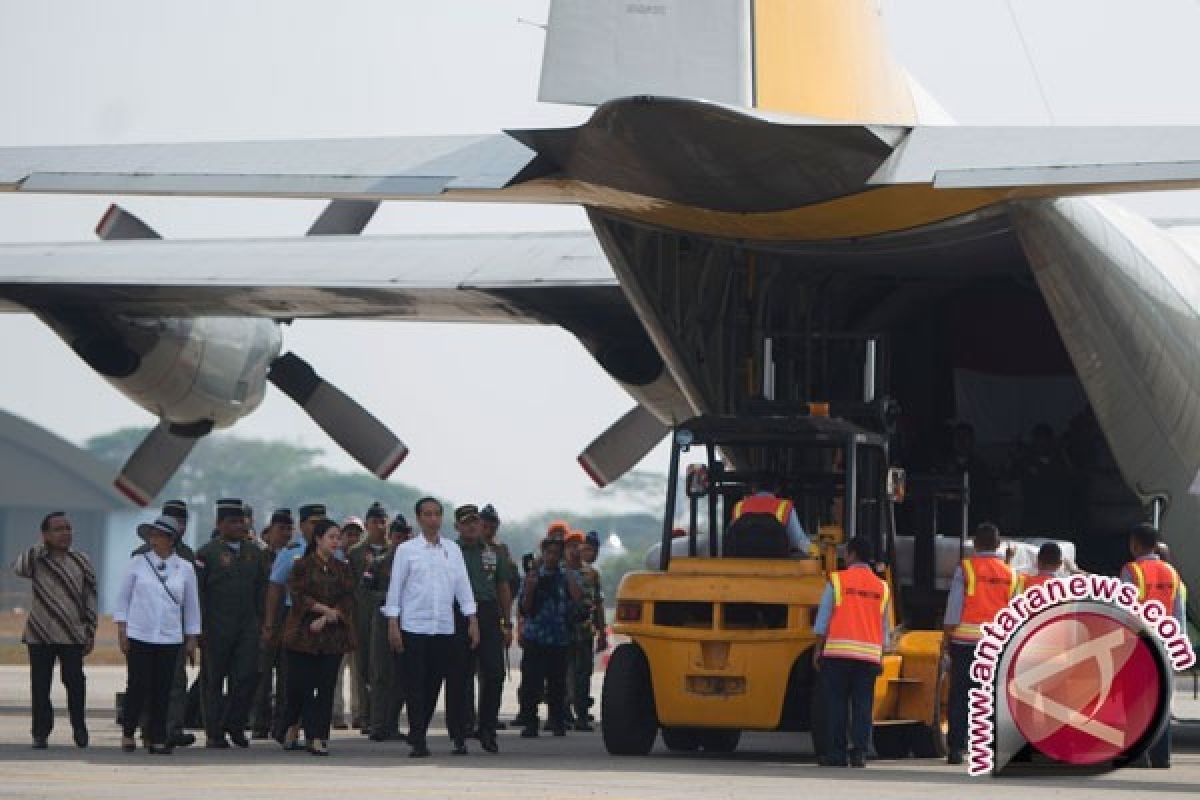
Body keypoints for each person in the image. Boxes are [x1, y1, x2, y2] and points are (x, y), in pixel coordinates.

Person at [384, 497, 479, 757]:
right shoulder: (407, 550)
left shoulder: (452, 550)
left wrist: (472, 619)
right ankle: (418, 739)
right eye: (427, 514)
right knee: (414, 685)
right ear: (419, 518)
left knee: (434, 685)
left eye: (437, 514)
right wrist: (393, 623)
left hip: (444, 627)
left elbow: (463, 586)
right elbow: (396, 589)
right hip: (413, 626)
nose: (433, 519)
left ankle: (422, 732)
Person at [113, 515, 201, 755]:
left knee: (164, 688)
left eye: (159, 535)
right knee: (138, 685)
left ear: (171, 540)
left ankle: (157, 736)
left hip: (169, 636)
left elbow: (192, 605)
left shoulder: (185, 567)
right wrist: (122, 629)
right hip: (140, 633)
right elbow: (123, 599)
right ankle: (129, 731)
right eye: (152, 535)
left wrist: (192, 636)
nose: (154, 540)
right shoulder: (137, 563)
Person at [11, 511, 97, 749]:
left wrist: (90, 630)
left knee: (75, 682)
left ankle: (79, 727)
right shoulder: (37, 559)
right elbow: (18, 568)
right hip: (40, 633)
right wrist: (41, 546)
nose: (65, 533)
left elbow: (90, 596)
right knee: (40, 686)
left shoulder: (82, 561)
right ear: (46, 534)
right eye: (58, 529)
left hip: (72, 633)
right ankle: (40, 733)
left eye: (68, 528)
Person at [194, 498, 270, 749]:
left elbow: (262, 590)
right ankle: (214, 732)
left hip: (247, 626)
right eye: (233, 522)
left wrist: (263, 623)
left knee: (247, 677)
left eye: (242, 521)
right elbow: (199, 594)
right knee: (213, 681)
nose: (239, 526)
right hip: (216, 627)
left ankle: (235, 725)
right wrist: (199, 628)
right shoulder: (206, 554)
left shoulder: (255, 553)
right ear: (220, 524)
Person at [942, 522, 1017, 765]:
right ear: (998, 544)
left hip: (965, 642)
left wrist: (946, 638)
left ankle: (956, 748)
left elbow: (954, 607)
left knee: (961, 695)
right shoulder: (1011, 574)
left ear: (975, 544)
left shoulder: (966, 569)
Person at [279, 519, 357, 756]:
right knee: (300, 687)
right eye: (331, 537)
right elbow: (297, 594)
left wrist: (328, 617)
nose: (336, 542)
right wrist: (323, 610)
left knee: (324, 687)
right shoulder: (301, 565)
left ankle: (318, 737)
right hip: (303, 635)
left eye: (338, 537)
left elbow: (349, 597)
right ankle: (291, 726)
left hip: (332, 636)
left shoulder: (342, 568)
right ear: (318, 539)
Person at [812, 536, 891, 767]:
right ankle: (859, 753)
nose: (844, 558)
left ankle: (836, 754)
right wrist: (882, 655)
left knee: (836, 704)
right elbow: (884, 627)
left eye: (846, 553)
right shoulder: (882, 587)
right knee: (862, 706)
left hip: (838, 654)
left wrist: (818, 649)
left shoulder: (837, 581)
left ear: (853, 554)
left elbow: (823, 620)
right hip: (868, 657)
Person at [130, 499, 196, 748]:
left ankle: (172, 729)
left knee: (176, 682)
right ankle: (149, 730)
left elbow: (192, 600)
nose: (180, 526)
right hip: (145, 630)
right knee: (146, 682)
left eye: (183, 521)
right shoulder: (140, 556)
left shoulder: (188, 556)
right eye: (176, 520)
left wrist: (193, 634)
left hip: (174, 631)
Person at [1121, 523, 1187, 769]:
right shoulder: (1172, 573)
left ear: (1136, 544)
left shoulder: (1132, 571)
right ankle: (1162, 756)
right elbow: (1178, 612)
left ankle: (1139, 755)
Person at [451, 504, 513, 753]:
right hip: (457, 613)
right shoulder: (449, 551)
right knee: (459, 675)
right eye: (466, 522)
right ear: (457, 526)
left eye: (475, 521)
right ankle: (459, 732)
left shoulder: (493, 552)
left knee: (495, 672)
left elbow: (503, 587)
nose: (472, 526)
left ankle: (487, 728)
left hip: (487, 612)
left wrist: (507, 623)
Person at [262, 503, 325, 743]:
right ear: (302, 526)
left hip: (326, 618)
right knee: (295, 677)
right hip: (297, 617)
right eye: (312, 522)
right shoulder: (290, 552)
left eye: (322, 521)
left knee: (322, 678)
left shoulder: (334, 549)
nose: (317, 526)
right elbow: (275, 588)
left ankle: (316, 731)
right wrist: (269, 624)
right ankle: (290, 727)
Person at [517, 534, 583, 738]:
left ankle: (557, 720)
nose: (552, 557)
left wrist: (570, 576)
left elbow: (578, 600)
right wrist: (530, 587)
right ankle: (530, 721)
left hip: (559, 637)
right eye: (549, 552)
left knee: (557, 684)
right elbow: (524, 607)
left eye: (556, 553)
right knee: (531, 684)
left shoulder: (567, 576)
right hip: (535, 636)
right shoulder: (533, 575)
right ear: (543, 553)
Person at [366, 513, 411, 741]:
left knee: (402, 676)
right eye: (397, 535)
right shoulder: (379, 562)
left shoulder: (415, 562)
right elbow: (367, 589)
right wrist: (390, 597)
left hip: (408, 623)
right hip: (383, 621)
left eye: (405, 536)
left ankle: (392, 724)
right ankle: (377, 726)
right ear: (391, 537)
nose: (401, 540)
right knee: (381, 675)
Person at [251, 508, 295, 739]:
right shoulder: (259, 557)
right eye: (281, 529)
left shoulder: (295, 555)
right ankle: (260, 723)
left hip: (287, 624)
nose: (286, 533)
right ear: (270, 531)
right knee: (263, 678)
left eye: (289, 529)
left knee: (286, 679)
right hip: (264, 624)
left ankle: (281, 724)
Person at [347, 503, 389, 733]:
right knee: (363, 668)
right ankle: (365, 714)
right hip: (361, 617)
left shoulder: (394, 551)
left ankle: (379, 716)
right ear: (367, 524)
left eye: (383, 522)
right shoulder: (355, 553)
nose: (379, 526)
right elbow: (351, 588)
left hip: (385, 618)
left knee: (381, 670)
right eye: (374, 522)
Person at [564, 530, 607, 731]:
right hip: (562, 632)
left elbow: (598, 604)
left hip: (584, 631)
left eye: (578, 545)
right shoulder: (559, 572)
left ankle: (581, 715)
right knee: (564, 674)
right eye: (571, 545)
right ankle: (562, 714)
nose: (575, 549)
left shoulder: (591, 574)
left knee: (583, 675)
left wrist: (602, 633)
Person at [729, 480, 812, 556]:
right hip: (778, 564)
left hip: (742, 564)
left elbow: (731, 538)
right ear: (777, 489)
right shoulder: (785, 506)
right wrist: (815, 551)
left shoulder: (739, 506)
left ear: (753, 489)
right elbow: (797, 541)